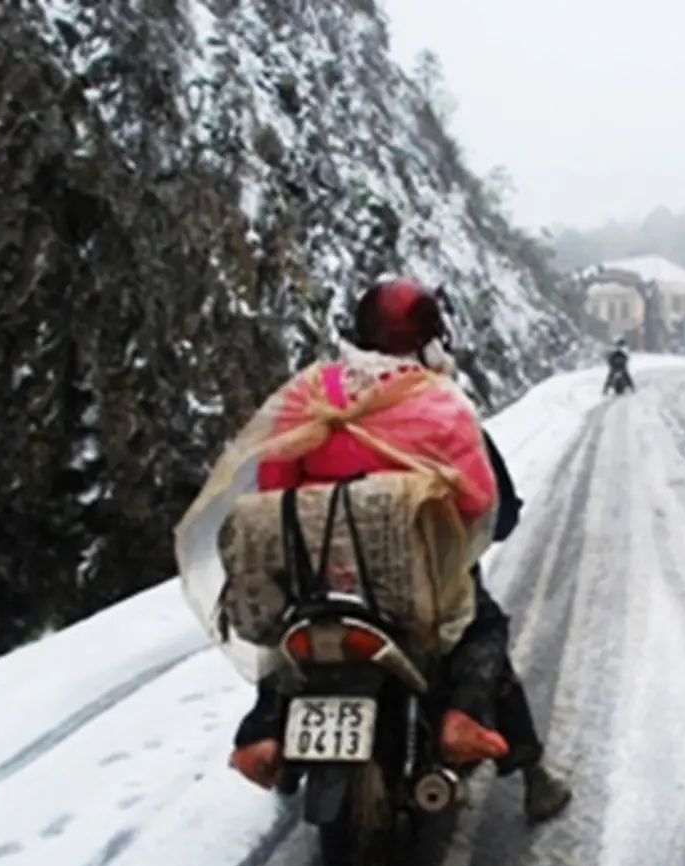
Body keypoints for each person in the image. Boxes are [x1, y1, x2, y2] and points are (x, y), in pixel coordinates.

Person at [229, 277, 573, 825]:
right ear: (430, 342)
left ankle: (263, 734)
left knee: (290, 641)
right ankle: (488, 738)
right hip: (415, 580)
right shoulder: (439, 404)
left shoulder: (309, 394)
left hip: (324, 578)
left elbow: (273, 484)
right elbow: (482, 501)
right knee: (481, 627)